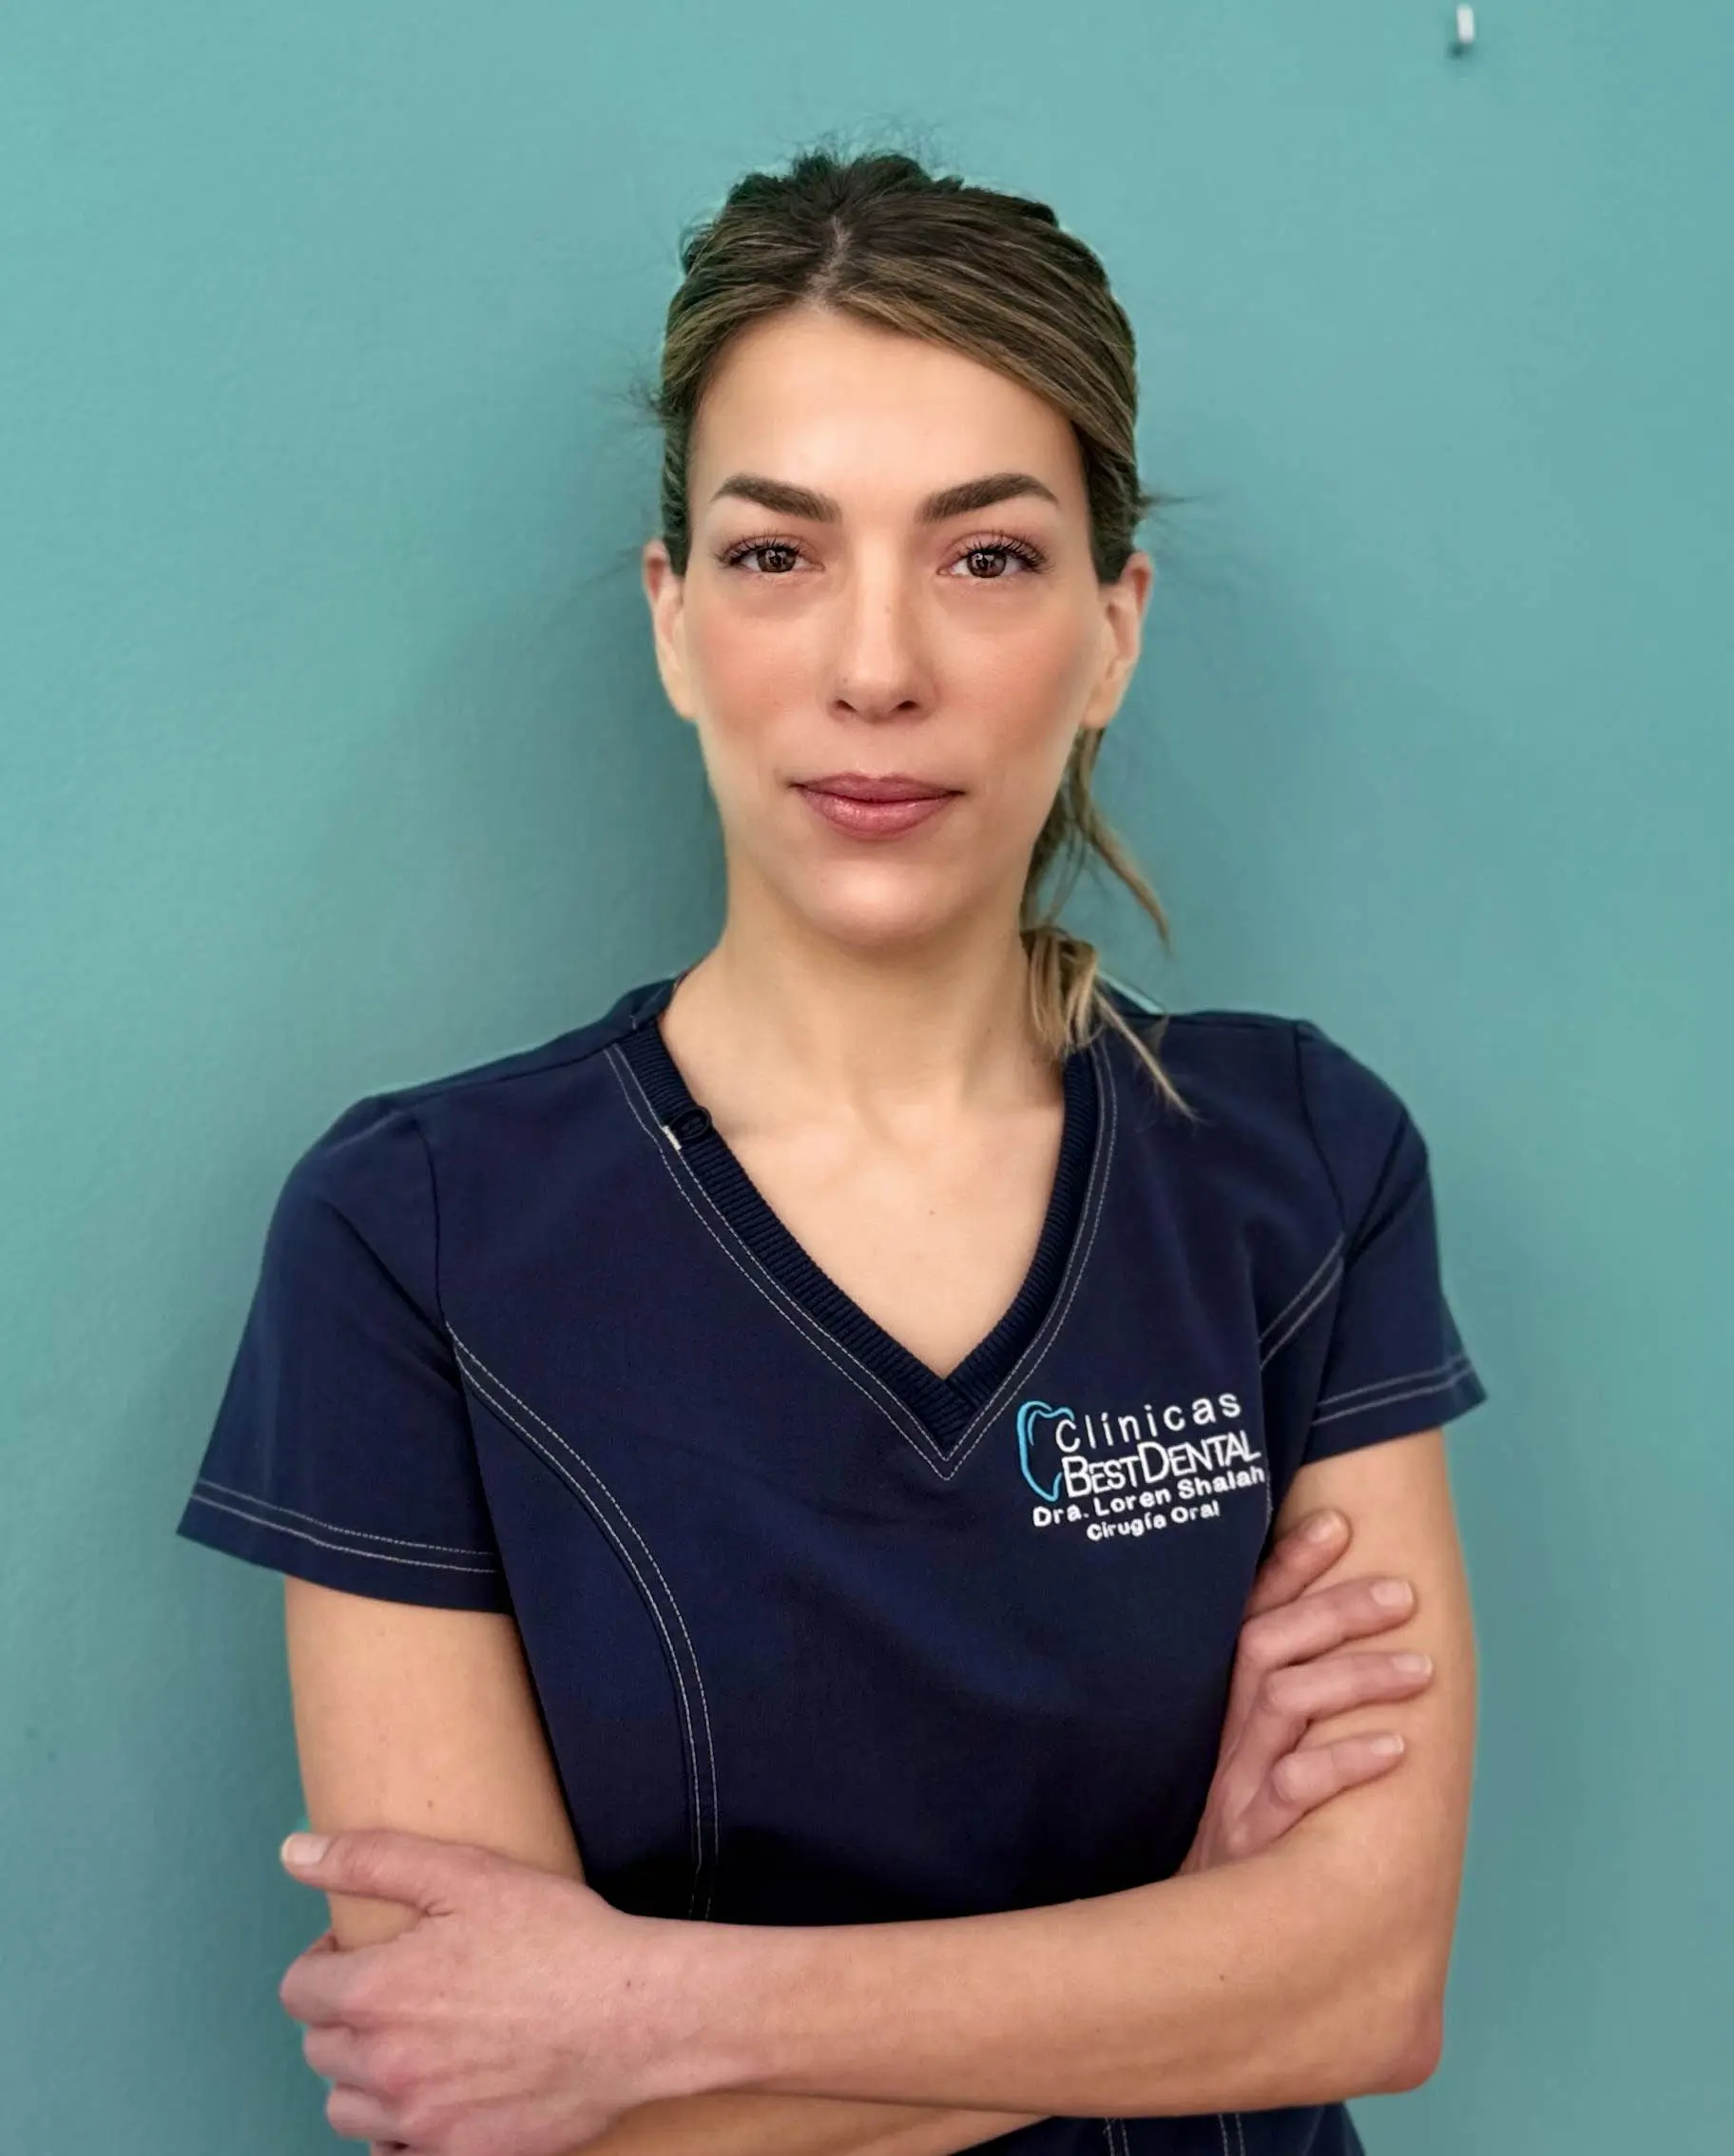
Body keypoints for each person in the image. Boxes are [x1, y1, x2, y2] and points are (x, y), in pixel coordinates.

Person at [176, 145, 1488, 2156]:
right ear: (673, 619)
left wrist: (639, 2013)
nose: (877, 666)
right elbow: (489, 2101)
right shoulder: (414, 1237)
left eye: (989, 558)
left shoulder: (1298, 1165)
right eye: (777, 554)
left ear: (1114, 632)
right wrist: (1188, 1955)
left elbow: (1363, 1987)